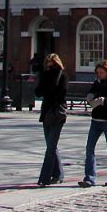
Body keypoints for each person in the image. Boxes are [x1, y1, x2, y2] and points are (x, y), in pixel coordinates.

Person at [79, 60, 107, 188]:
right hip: (96, 120)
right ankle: (89, 178)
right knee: (89, 149)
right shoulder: (97, 83)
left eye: (101, 72)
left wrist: (104, 101)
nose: (99, 75)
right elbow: (91, 94)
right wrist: (90, 96)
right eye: (97, 73)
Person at [35, 53, 69, 187]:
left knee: (51, 146)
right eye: (48, 63)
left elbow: (62, 94)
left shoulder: (62, 76)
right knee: (51, 145)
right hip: (46, 112)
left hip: (57, 113)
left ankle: (45, 177)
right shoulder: (44, 75)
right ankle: (59, 174)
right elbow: (38, 92)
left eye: (52, 63)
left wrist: (49, 86)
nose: (50, 66)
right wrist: (42, 80)